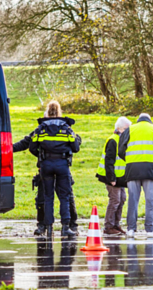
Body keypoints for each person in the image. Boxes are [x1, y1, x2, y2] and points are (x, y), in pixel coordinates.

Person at [14, 101, 82, 239]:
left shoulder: (41, 129)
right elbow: (76, 146)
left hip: (46, 166)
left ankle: (46, 226)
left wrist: (41, 156)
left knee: (46, 197)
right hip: (62, 165)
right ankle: (67, 226)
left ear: (47, 113)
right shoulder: (66, 128)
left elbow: (29, 144)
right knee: (66, 197)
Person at [117, 113, 153, 239]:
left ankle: (131, 229)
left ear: (138, 120)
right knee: (150, 201)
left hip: (133, 170)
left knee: (133, 201)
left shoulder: (130, 129)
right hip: (151, 170)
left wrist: (130, 159)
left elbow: (120, 150)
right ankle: (149, 230)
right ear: (149, 120)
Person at [96, 117, 130, 236]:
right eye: (126, 129)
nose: (128, 131)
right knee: (115, 200)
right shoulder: (113, 140)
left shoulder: (121, 140)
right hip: (112, 177)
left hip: (119, 177)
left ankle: (116, 224)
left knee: (122, 199)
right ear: (119, 128)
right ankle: (109, 226)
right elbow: (108, 161)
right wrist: (112, 179)